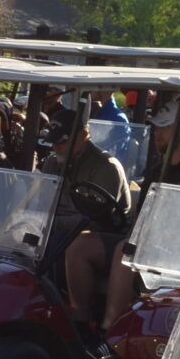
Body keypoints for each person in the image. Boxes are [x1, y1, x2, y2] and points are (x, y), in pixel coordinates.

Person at [49, 113, 137, 339]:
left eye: (63, 142)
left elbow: (94, 217)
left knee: (74, 245)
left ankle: (80, 321)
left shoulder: (105, 166)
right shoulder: (53, 162)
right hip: (65, 229)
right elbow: (41, 200)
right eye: (55, 142)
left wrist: (54, 222)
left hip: (108, 236)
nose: (57, 147)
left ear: (84, 135)